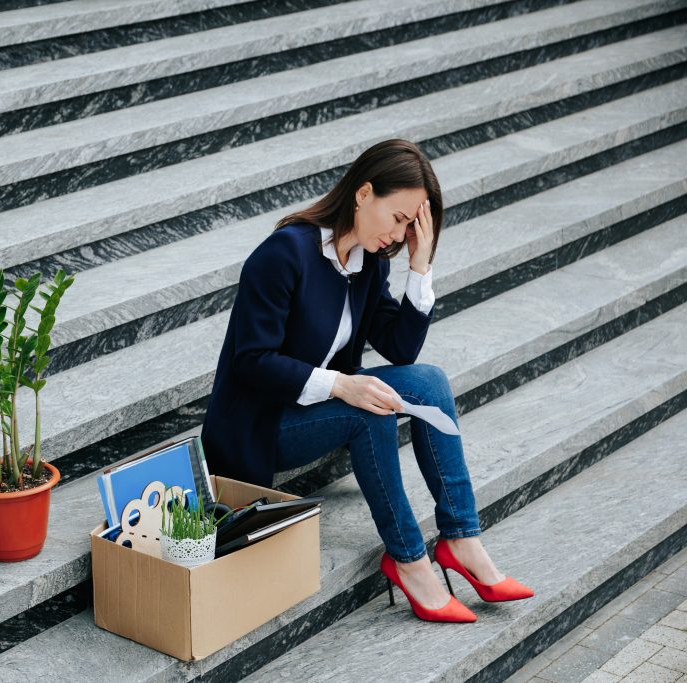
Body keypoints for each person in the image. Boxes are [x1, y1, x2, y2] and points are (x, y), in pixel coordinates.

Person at [200, 139, 533, 623]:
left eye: (410, 225)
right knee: (365, 406)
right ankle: (410, 560)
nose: (399, 234)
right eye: (398, 218)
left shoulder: (369, 263)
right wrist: (340, 385)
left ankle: (461, 538)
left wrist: (419, 266)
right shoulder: (285, 253)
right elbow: (252, 361)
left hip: (313, 407)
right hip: (256, 423)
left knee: (430, 381)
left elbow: (400, 349)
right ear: (363, 193)